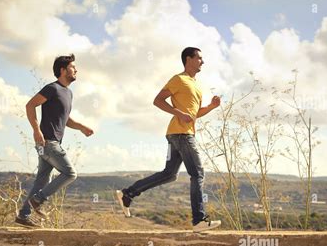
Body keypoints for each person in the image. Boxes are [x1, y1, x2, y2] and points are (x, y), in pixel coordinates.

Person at [116, 47, 221, 232]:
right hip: (181, 134)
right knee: (197, 174)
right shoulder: (178, 79)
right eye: (199, 58)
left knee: (169, 174)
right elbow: (158, 100)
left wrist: (211, 107)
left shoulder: (196, 84)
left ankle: (128, 193)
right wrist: (178, 112)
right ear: (189, 59)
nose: (203, 62)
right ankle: (199, 220)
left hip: (179, 134)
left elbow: (194, 114)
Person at [16, 54, 94, 228]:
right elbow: (30, 105)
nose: (76, 70)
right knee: (70, 173)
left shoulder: (68, 93)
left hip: (50, 144)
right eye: (73, 67)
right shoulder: (52, 88)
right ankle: (39, 199)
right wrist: (36, 131)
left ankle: (24, 215)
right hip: (48, 142)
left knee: (42, 180)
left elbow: (65, 119)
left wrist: (81, 127)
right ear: (63, 70)